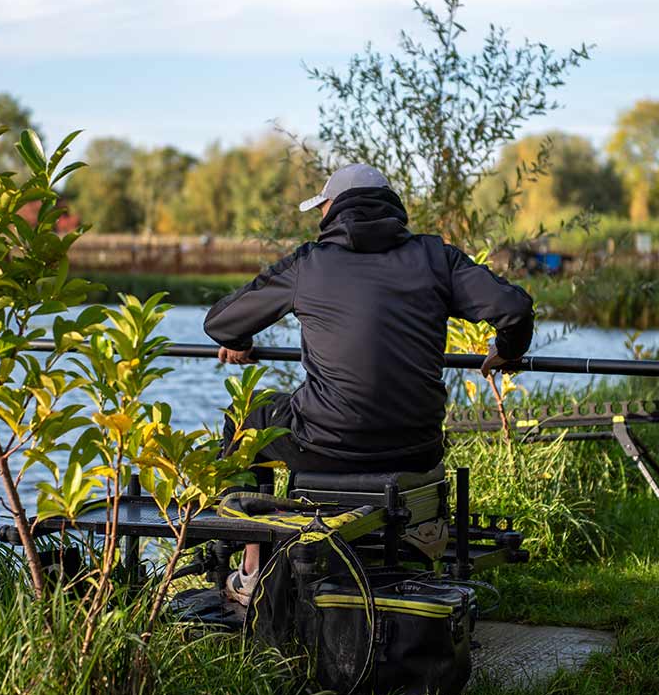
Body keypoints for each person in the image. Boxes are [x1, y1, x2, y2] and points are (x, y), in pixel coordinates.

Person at [204, 163, 534, 605]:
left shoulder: (308, 263)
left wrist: (238, 341)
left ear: (333, 209)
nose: (319, 216)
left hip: (323, 444)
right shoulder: (437, 258)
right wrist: (509, 351)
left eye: (321, 206)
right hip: (416, 446)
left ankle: (250, 569)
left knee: (248, 413)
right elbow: (514, 308)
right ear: (390, 208)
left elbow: (221, 321)